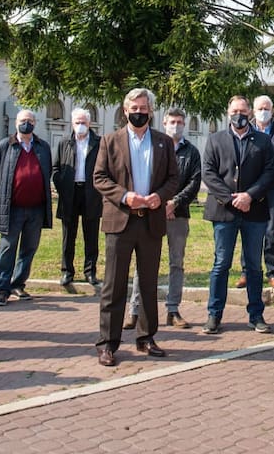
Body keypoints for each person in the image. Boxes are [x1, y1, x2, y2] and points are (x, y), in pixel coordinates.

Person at [92, 88, 180, 366]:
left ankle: (146, 337)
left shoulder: (164, 142)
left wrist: (161, 196)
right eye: (134, 107)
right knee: (113, 284)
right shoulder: (110, 141)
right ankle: (107, 343)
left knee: (148, 283)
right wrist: (125, 196)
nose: (139, 112)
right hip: (121, 220)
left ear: (151, 111)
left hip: (151, 222)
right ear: (125, 108)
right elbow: (99, 177)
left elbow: (174, 178)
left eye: (144, 108)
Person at [201, 95, 274, 334]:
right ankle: (214, 315)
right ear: (228, 112)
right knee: (221, 264)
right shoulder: (215, 140)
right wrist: (231, 198)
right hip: (224, 211)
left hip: (254, 212)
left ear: (249, 114)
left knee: (254, 266)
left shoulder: (263, 141)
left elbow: (271, 172)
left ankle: (256, 315)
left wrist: (249, 196)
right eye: (235, 111)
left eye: (244, 111)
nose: (240, 115)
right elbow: (208, 173)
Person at [125, 108, 201, 329]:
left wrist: (174, 202)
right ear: (164, 123)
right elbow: (146, 176)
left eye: (179, 122)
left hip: (179, 214)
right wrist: (158, 202)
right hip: (152, 212)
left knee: (176, 263)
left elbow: (194, 183)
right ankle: (135, 311)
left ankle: (173, 309)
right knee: (144, 263)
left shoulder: (192, 152)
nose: (175, 125)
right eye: (171, 122)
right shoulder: (154, 145)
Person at [0, 109, 53, 305]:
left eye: (30, 120)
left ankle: (18, 283)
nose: (26, 123)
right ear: (15, 122)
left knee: (29, 248)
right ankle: (2, 289)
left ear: (35, 123)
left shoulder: (43, 147)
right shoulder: (4, 146)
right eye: (22, 120)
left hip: (36, 209)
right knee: (7, 248)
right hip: (12, 209)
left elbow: (47, 172)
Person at [244, 94, 274, 291]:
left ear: (272, 111)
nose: (264, 111)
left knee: (272, 231)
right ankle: (247, 271)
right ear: (253, 111)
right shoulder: (247, 130)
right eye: (260, 108)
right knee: (248, 230)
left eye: (267, 108)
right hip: (251, 188)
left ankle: (273, 272)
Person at [54, 108, 102, 286]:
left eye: (83, 122)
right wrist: (61, 185)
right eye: (77, 122)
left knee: (91, 236)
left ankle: (90, 272)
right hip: (70, 193)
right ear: (72, 123)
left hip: (91, 193)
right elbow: (56, 168)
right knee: (68, 235)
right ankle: (67, 271)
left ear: (89, 123)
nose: (80, 126)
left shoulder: (99, 143)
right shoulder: (64, 142)